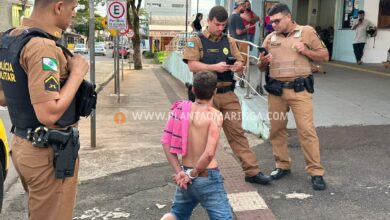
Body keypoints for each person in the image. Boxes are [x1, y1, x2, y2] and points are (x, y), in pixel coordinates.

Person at [0, 0, 89, 219]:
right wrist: (77, 73)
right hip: (48, 154)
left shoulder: (10, 38)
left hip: (24, 146)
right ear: (58, 6)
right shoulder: (42, 47)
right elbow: (49, 114)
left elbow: (3, 97)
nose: (74, 14)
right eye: (73, 8)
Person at [183, 6, 272, 185]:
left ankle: (252, 171)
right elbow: (192, 65)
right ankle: (201, 172)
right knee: (203, 135)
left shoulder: (228, 40)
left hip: (228, 93)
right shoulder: (196, 40)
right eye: (217, 24)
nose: (221, 28)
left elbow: (241, 60)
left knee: (236, 133)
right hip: (206, 96)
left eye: (224, 25)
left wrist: (238, 66)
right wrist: (214, 68)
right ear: (208, 21)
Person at [257, 3, 328, 190]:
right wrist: (262, 63)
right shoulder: (270, 38)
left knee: (306, 131)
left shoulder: (307, 32)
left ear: (288, 17)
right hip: (276, 92)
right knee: (276, 130)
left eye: (277, 21)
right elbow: (260, 66)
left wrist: (306, 51)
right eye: (271, 22)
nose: (274, 25)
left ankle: (316, 172)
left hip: (299, 90)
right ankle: (282, 165)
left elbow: (324, 55)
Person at [161, 71, 232, 219]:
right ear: (215, 91)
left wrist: (180, 172)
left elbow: (166, 143)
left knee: (176, 216)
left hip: (185, 173)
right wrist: (192, 175)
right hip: (206, 175)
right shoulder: (214, 115)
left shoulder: (180, 110)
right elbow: (209, 153)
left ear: (193, 89)